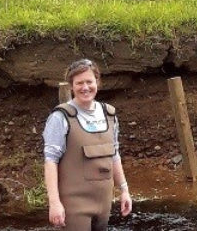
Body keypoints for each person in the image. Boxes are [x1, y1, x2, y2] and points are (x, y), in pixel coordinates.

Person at [43, 59, 132, 230]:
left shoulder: (110, 114)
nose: (85, 87)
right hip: (74, 205)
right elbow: (50, 161)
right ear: (71, 86)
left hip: (104, 203)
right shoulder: (60, 117)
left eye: (89, 81)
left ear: (97, 82)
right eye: (79, 83)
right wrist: (54, 203)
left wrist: (124, 190)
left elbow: (115, 155)